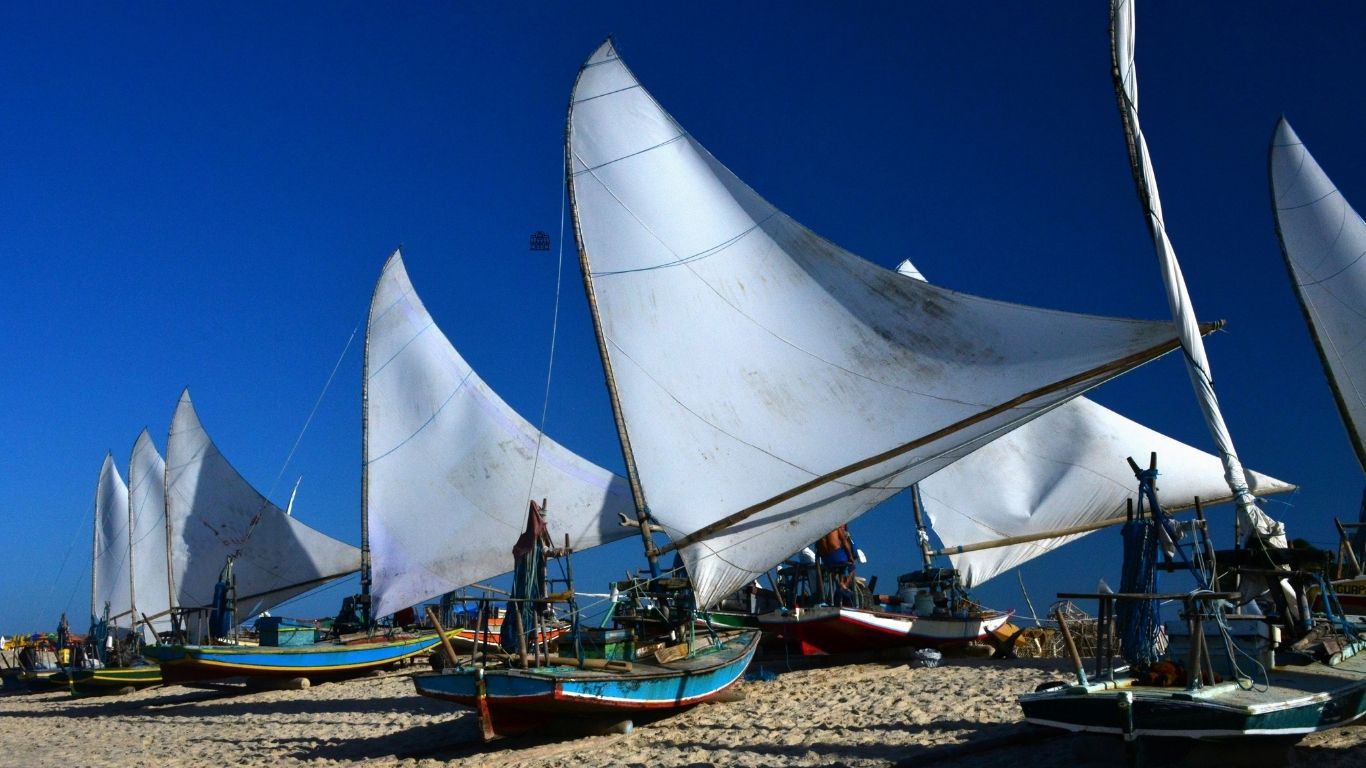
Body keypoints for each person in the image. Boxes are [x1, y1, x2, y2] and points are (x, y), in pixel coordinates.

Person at [815, 525, 857, 606]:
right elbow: (844, 542)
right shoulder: (835, 526)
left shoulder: (818, 529)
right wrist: (850, 556)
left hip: (825, 559)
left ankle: (840, 586)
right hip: (836, 555)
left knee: (837, 569)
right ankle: (843, 586)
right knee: (852, 566)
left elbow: (817, 546)